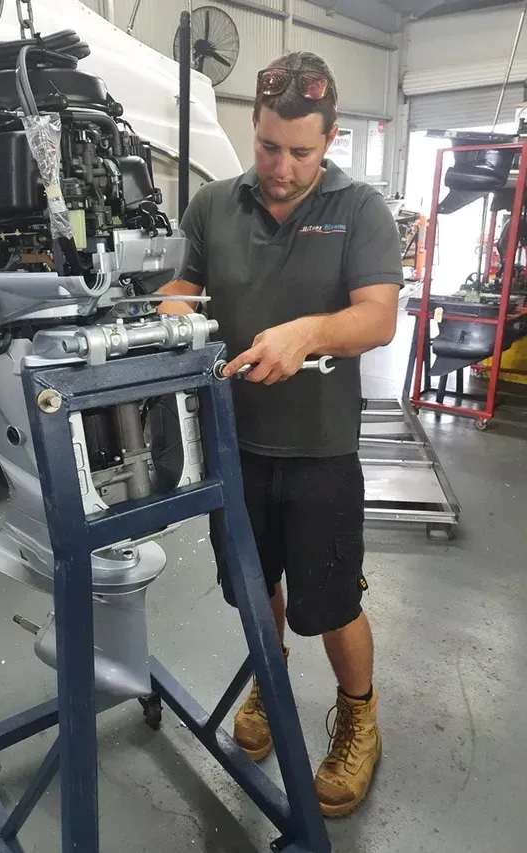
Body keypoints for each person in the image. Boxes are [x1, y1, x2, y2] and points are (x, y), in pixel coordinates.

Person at [156, 50, 403, 818]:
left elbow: (379, 315)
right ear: (253, 128)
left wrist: (306, 332)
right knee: (253, 587)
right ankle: (269, 680)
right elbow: (176, 285)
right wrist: (174, 317)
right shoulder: (209, 206)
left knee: (329, 603)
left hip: (320, 449)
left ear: (329, 140)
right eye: (268, 146)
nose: (282, 167)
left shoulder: (360, 209)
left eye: (301, 151)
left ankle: (359, 715)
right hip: (231, 446)